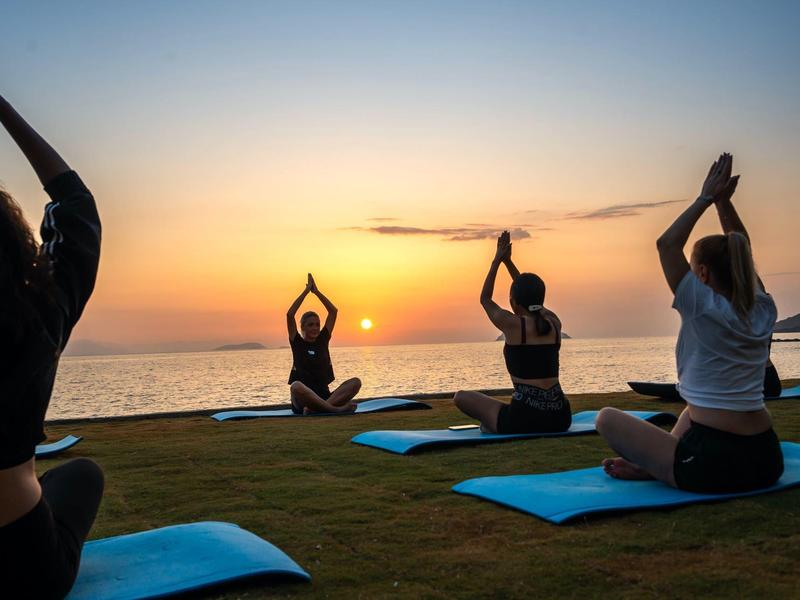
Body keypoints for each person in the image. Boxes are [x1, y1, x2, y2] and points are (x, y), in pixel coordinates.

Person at [596, 153, 783, 493]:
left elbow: (667, 244)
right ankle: (656, 464)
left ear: (702, 274)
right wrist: (724, 205)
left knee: (606, 418)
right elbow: (741, 250)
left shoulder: (702, 307)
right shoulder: (762, 307)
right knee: (692, 404)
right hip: (767, 458)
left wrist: (706, 197)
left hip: (714, 461)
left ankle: (662, 465)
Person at [0, 94, 104, 597]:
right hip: (22, 563)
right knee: (82, 475)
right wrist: (3, 109)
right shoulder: (38, 319)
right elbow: (77, 207)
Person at [453, 231, 571, 433]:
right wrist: (509, 263)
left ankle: (490, 424)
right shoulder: (553, 323)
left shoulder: (514, 325)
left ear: (514, 302)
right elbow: (530, 297)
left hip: (524, 419)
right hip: (560, 417)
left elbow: (485, 299)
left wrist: (497, 260)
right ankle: (491, 423)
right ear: (540, 299)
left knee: (461, 397)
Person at [286, 274, 362, 413]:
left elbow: (333, 311)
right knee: (296, 386)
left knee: (355, 382)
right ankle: (335, 410)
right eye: (310, 325)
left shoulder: (322, 340)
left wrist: (316, 292)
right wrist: (306, 291)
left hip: (325, 397)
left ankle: (317, 410)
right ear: (302, 327)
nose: (315, 328)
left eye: (317, 324)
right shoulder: (297, 342)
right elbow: (290, 315)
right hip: (302, 401)